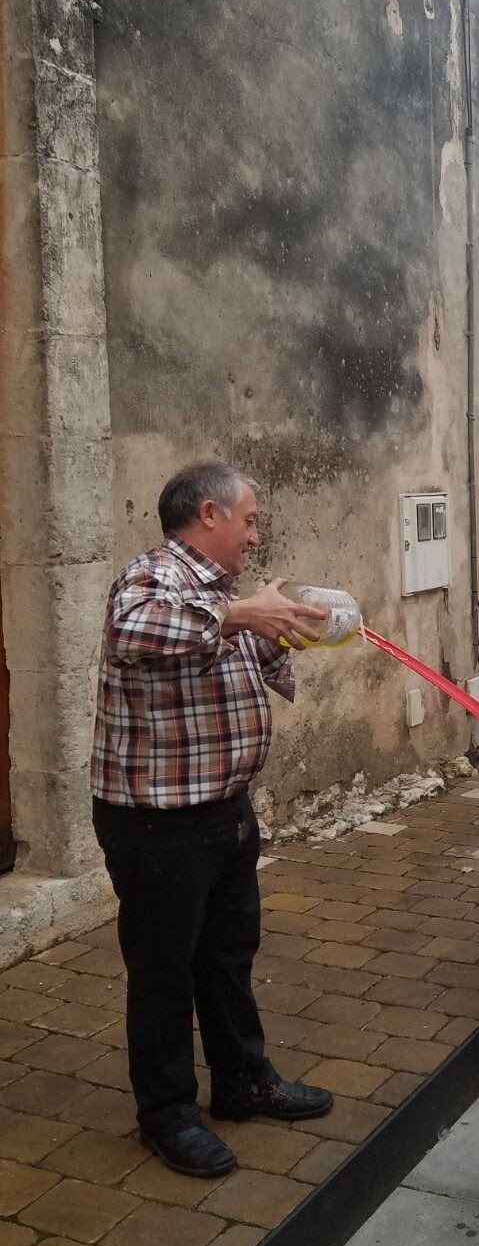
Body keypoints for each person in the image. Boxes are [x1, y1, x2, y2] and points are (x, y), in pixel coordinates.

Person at [91, 463, 335, 1178]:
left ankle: (242, 1081)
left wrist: (288, 630)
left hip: (224, 809)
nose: (255, 536)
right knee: (163, 972)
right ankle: (165, 1114)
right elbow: (135, 631)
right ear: (209, 514)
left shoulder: (222, 594)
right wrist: (240, 615)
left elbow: (233, 656)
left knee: (228, 956)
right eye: (249, 520)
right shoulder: (153, 577)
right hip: (157, 821)